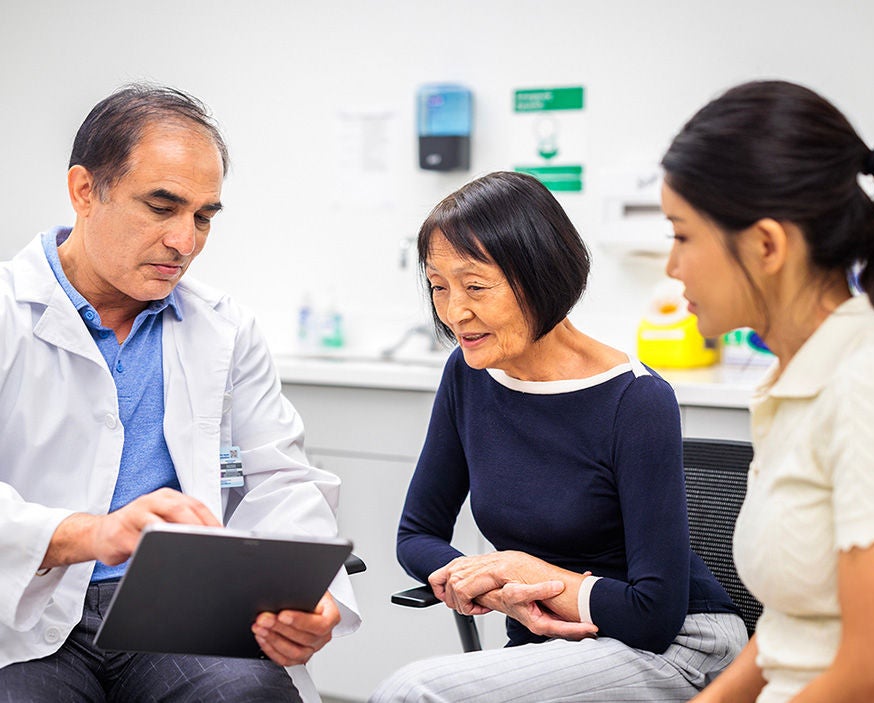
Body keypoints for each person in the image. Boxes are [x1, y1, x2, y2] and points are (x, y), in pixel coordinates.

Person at [0, 84, 359, 703]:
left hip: (175, 609)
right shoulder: (9, 311)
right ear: (85, 191)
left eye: (203, 216)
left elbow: (279, 478)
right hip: (24, 607)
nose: (185, 242)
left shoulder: (225, 328)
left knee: (249, 695)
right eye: (161, 207)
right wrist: (86, 534)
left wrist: (305, 599)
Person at [370, 171, 747, 703]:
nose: (455, 312)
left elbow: (654, 615)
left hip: (673, 647)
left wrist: (529, 574)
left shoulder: (636, 400)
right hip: (553, 645)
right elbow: (416, 536)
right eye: (439, 286)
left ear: (541, 276)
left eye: (475, 286)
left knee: (415, 693)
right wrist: (501, 589)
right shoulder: (468, 375)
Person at [660, 80, 874, 703]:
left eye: (682, 235)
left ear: (766, 245)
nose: (672, 267)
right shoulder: (795, 380)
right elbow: (795, 626)